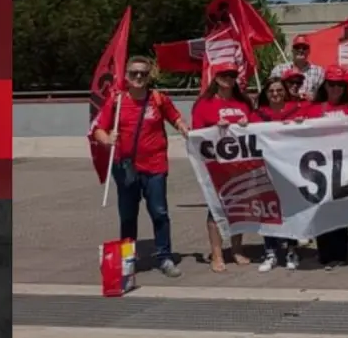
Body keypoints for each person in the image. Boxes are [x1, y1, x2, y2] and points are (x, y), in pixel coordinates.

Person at [91, 56, 189, 278]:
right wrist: (107, 138)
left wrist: (183, 127)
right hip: (125, 167)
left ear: (148, 76)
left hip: (155, 166)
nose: (138, 77)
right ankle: (129, 257)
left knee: (159, 213)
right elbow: (98, 129)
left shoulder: (158, 99)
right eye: (134, 73)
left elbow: (175, 118)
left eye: (143, 74)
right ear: (126, 76)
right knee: (128, 215)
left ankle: (164, 256)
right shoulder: (116, 101)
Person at [191, 62, 259, 272]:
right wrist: (214, 128)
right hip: (216, 166)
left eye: (232, 75)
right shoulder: (204, 104)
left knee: (238, 209)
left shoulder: (244, 102)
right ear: (215, 77)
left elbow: (257, 127)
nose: (228, 79)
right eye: (224, 75)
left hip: (240, 166)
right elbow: (197, 135)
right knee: (215, 210)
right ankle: (217, 254)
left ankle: (236, 250)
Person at [305, 65, 348, 268]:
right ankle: (332, 254)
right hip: (325, 170)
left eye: (340, 85)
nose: (336, 89)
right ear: (325, 85)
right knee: (328, 210)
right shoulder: (313, 109)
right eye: (332, 84)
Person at [253, 74, 305, 271]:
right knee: (268, 211)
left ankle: (291, 250)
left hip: (289, 169)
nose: (275, 94)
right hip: (265, 169)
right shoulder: (257, 115)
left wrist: (302, 124)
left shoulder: (295, 111)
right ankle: (270, 252)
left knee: (291, 210)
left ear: (285, 93)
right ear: (266, 93)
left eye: (279, 90)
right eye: (271, 91)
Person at [271, 35, 325, 99]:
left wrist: (313, 97)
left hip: (309, 107)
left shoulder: (319, 72)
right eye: (297, 47)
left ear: (309, 51)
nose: (301, 50)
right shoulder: (279, 70)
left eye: (304, 48)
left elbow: (323, 95)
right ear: (292, 50)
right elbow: (271, 92)